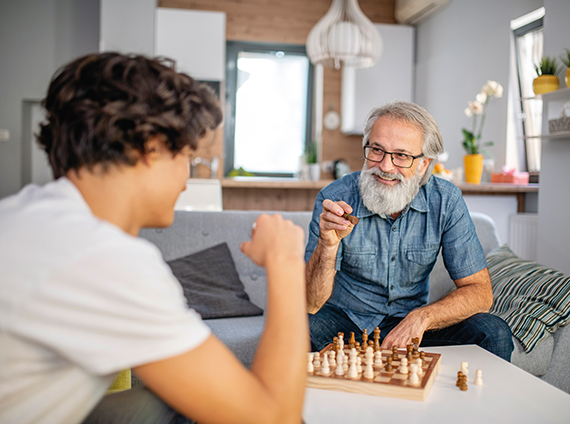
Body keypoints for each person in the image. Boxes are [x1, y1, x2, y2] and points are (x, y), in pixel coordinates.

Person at [0, 53, 308, 424]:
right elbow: (274, 418)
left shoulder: (27, 212)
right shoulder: (105, 258)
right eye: (188, 159)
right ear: (151, 146)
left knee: (170, 402)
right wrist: (286, 260)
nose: (186, 180)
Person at [305, 101, 514, 361]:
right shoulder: (335, 198)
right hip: (342, 322)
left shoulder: (445, 201)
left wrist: (422, 317)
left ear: (424, 165)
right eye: (377, 150)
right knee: (300, 326)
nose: (385, 166)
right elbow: (311, 302)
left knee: (491, 331)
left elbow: (480, 293)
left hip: (410, 325)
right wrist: (328, 246)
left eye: (401, 155)